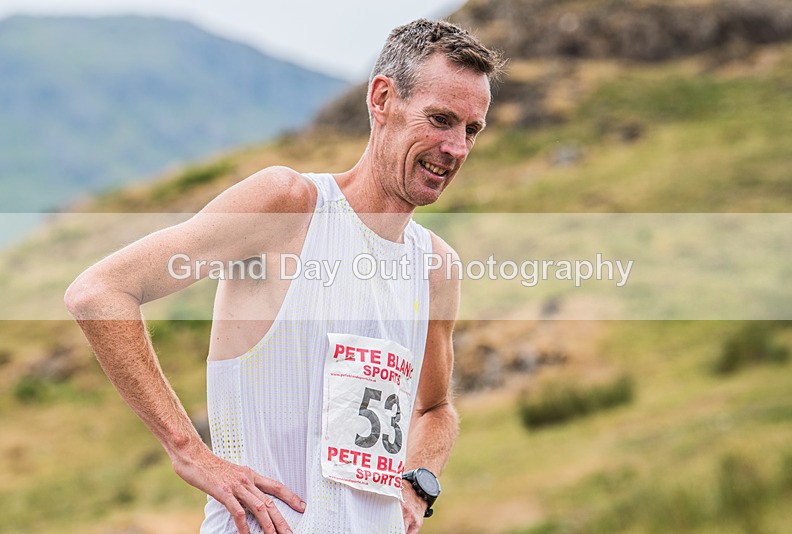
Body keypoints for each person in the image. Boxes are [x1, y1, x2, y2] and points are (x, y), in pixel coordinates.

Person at [65, 18, 504, 534]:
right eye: (440, 119)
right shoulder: (289, 207)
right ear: (383, 99)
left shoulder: (435, 266)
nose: (456, 148)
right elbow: (100, 292)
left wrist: (420, 480)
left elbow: (435, 408)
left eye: (470, 130)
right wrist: (189, 452)